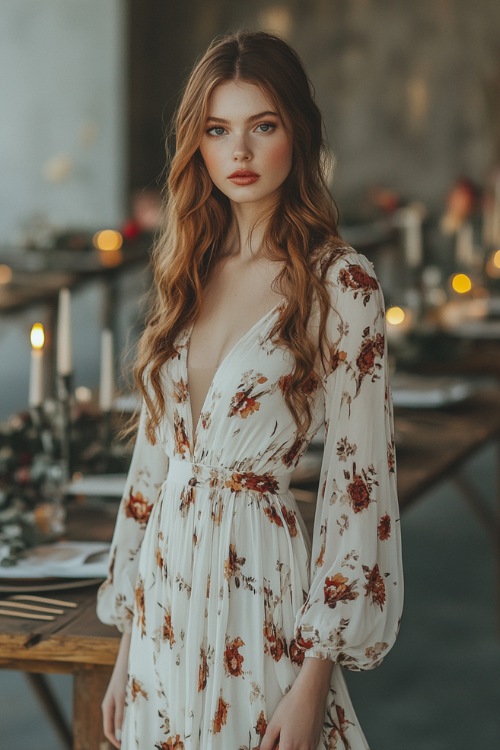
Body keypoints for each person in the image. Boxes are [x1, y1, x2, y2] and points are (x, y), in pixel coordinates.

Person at [97, 30, 403, 750]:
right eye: (217, 129)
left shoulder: (341, 284)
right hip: (163, 601)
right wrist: (125, 651)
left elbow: (356, 490)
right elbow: (152, 469)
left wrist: (311, 684)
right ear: (197, 145)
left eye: (261, 126)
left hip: (256, 585)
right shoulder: (187, 269)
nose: (239, 151)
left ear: (296, 133)